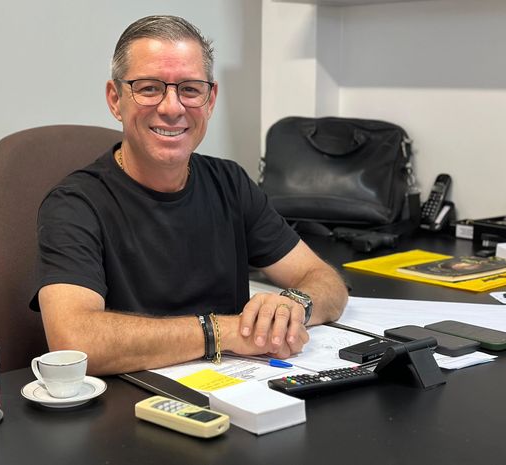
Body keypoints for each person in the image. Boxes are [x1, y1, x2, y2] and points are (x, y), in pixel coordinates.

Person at [30, 15, 348, 376]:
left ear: (210, 101)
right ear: (115, 100)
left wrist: (294, 306)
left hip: (239, 390)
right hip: (132, 400)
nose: (172, 107)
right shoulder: (74, 205)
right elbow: (74, 342)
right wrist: (226, 331)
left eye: (190, 89)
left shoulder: (230, 183)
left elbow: (326, 281)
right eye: (149, 88)